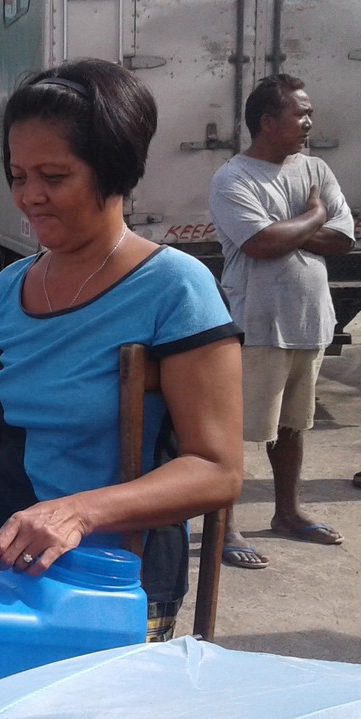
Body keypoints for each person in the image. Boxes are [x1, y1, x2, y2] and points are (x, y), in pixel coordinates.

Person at [0, 59, 243, 643]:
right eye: (19, 175)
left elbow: (216, 470)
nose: (30, 197)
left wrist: (77, 511)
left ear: (114, 171)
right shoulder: (9, 289)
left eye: (54, 175)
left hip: (115, 579)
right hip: (8, 565)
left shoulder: (175, 288)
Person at [209, 74, 355, 569]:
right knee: (235, 429)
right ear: (268, 122)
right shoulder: (234, 178)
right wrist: (314, 216)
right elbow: (260, 245)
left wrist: (299, 225)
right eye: (300, 113)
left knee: (293, 426)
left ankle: (287, 513)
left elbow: (344, 239)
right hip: (257, 322)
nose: (309, 121)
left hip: (309, 321)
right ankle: (225, 527)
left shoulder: (315, 168)